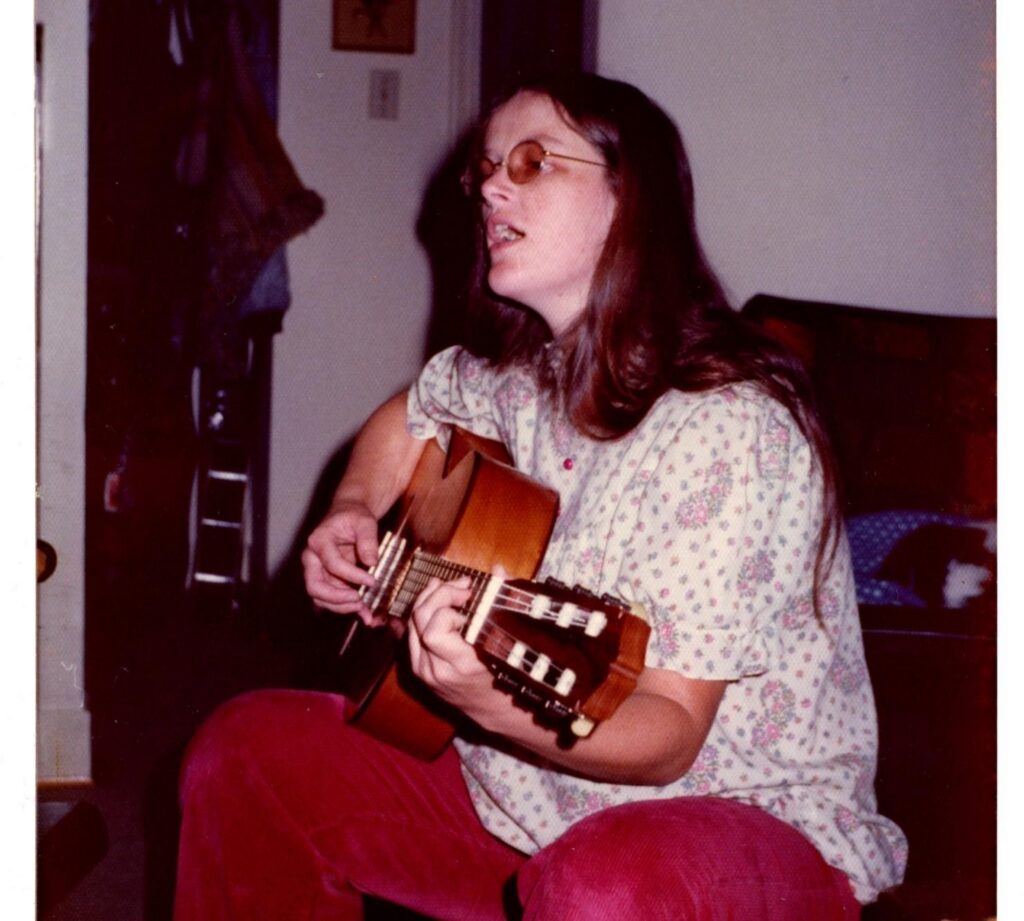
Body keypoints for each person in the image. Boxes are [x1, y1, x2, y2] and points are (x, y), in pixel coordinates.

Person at [172, 73, 906, 920]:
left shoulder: (730, 424)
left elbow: (669, 732)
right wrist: (353, 507)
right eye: (485, 169)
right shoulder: (529, 371)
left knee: (601, 883)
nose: (490, 188)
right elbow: (415, 413)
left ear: (630, 200)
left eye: (532, 162)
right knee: (247, 755)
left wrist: (485, 698)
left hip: (740, 827)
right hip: (530, 797)